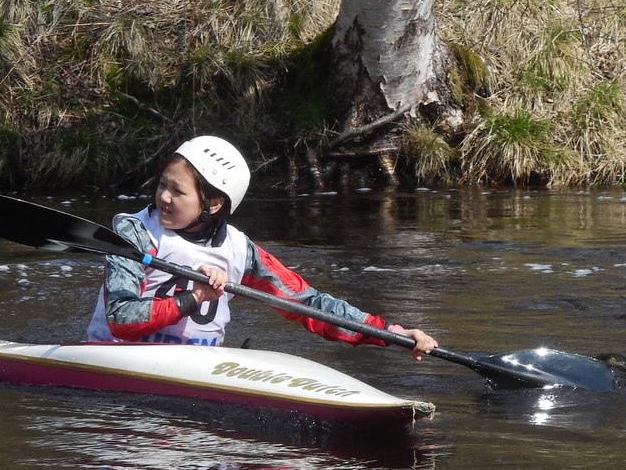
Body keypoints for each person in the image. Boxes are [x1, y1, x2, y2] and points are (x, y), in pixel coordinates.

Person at [86, 135, 439, 359]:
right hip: (116, 358)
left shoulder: (240, 250)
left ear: (212, 205)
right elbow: (121, 318)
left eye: (177, 192)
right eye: (163, 184)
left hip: (196, 365)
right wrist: (194, 298)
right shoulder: (134, 233)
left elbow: (308, 303)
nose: (163, 197)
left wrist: (389, 333)